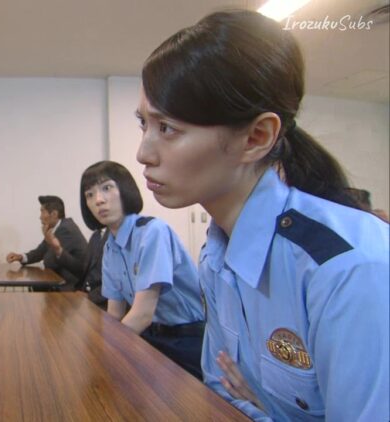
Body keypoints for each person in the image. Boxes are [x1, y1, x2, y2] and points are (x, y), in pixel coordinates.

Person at [136, 10, 388, 421]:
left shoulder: (347, 269)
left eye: (167, 128)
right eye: (143, 123)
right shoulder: (216, 254)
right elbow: (220, 390)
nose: (143, 153)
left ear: (256, 137)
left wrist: (264, 408)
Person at [80, 161, 204, 378]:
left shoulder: (152, 232)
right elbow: (115, 313)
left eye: (107, 188)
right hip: (150, 335)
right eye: (89, 195)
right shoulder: (110, 246)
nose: (98, 200)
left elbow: (142, 315)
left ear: (125, 189)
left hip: (186, 340)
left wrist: (102, 353)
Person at [6, 195, 88, 291]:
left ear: (54, 214)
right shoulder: (58, 228)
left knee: (37, 284)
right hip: (60, 279)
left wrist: (46, 238)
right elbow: (40, 251)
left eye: (42, 212)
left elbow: (50, 262)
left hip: (72, 286)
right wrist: (21, 257)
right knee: (36, 284)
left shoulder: (66, 229)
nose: (40, 217)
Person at [80, 228, 109, 309]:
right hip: (86, 292)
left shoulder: (116, 237)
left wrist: (89, 296)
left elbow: (117, 283)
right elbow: (86, 267)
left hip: (105, 302)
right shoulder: (96, 235)